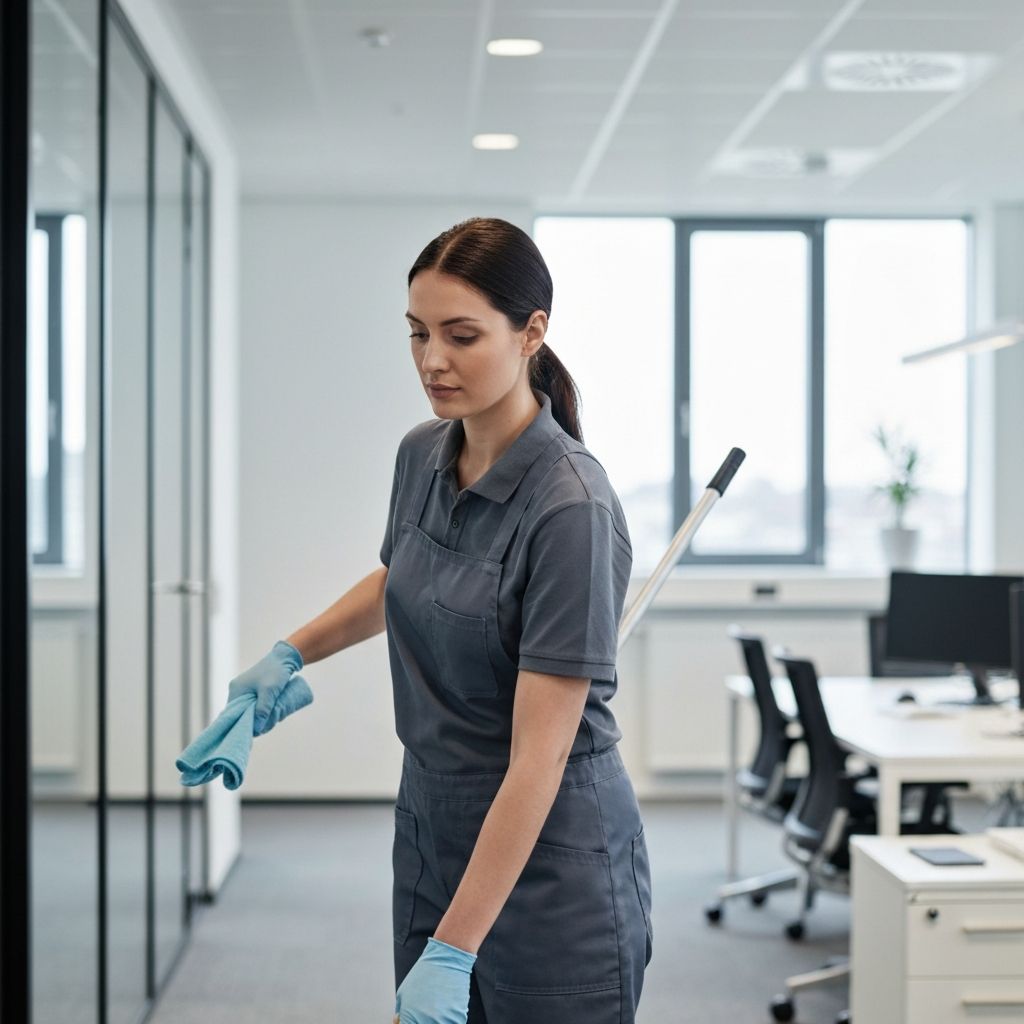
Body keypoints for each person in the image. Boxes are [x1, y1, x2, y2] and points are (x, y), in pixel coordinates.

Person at [229, 217, 653, 1024]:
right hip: (433, 820)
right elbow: (405, 574)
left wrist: (454, 949)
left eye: (461, 336)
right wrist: (291, 653)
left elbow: (540, 757)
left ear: (533, 333)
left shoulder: (571, 508)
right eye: (417, 334)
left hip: (550, 851)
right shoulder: (422, 451)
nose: (432, 361)